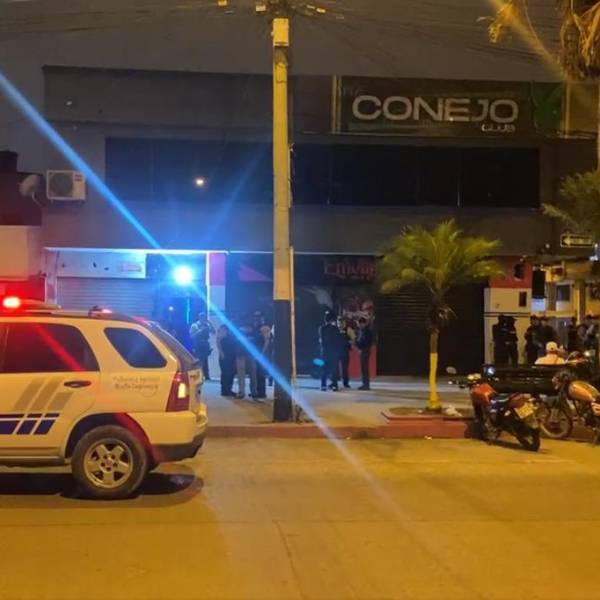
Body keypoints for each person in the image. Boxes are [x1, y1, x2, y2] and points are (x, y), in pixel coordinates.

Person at [235, 315, 257, 400]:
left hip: (242, 354)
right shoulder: (253, 330)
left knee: (242, 374)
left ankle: (242, 392)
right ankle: (253, 391)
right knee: (252, 374)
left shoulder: (238, 330)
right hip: (248, 354)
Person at [189, 312, 215, 380]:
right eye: (202, 317)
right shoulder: (195, 325)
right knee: (199, 360)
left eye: (205, 317)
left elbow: (213, 332)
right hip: (198, 343)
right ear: (199, 318)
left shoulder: (207, 325)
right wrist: (200, 331)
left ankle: (206, 375)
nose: (204, 319)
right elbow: (192, 336)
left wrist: (210, 323)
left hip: (205, 343)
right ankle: (199, 376)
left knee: (205, 360)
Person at [253, 311, 272, 399]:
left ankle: (262, 393)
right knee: (257, 373)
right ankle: (258, 391)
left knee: (260, 373)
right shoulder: (257, 327)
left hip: (262, 353)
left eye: (258, 316)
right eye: (255, 316)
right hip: (257, 352)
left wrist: (262, 353)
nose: (256, 318)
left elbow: (267, 341)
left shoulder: (265, 327)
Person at [319, 311, 340, 391]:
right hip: (333, 352)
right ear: (332, 320)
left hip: (325, 352)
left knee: (324, 369)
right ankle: (334, 385)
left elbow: (321, 340)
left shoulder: (321, 328)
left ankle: (323, 385)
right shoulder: (335, 329)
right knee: (334, 369)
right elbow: (337, 340)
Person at [216, 323, 236, 397]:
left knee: (231, 374)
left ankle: (229, 389)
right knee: (225, 373)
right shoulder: (221, 334)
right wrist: (221, 353)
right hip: (224, 356)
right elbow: (218, 342)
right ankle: (224, 390)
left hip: (231, 356)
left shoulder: (230, 335)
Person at [356, 317, 374, 391]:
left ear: (362, 323)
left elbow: (363, 342)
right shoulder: (365, 330)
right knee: (364, 368)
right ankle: (365, 384)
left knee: (364, 368)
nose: (358, 325)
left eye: (359, 324)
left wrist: (357, 344)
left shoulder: (365, 331)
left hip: (365, 351)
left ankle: (366, 385)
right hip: (365, 350)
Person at [337, 316, 355, 389]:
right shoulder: (335, 329)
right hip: (336, 351)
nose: (340, 323)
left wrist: (348, 342)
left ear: (344, 322)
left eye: (341, 321)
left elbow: (353, 339)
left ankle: (346, 383)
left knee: (345, 368)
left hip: (344, 351)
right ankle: (334, 382)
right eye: (339, 321)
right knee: (334, 368)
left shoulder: (348, 329)